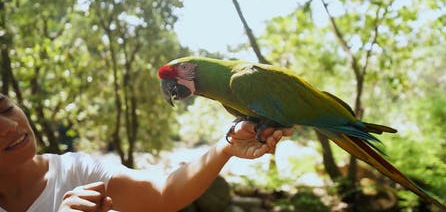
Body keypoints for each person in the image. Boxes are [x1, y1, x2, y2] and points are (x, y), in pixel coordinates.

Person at [0, 92, 293, 212]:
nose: (10, 126)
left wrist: (224, 147)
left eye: (6, 108)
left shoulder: (74, 171)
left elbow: (162, 193)